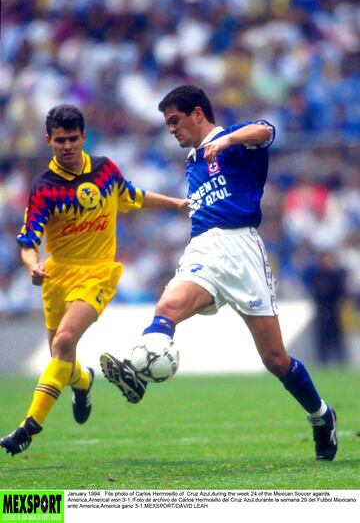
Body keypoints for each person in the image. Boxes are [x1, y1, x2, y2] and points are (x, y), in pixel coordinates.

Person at [100, 85, 337, 462]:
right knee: (168, 305)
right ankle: (138, 374)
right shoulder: (193, 160)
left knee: (275, 359)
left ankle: (321, 416)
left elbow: (267, 130)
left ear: (197, 113)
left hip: (242, 250)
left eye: (175, 121)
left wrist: (227, 142)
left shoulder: (234, 140)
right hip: (205, 250)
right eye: (167, 124)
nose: (171, 130)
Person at [0, 104, 187, 456]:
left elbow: (133, 196)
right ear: (49, 141)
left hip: (98, 270)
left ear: (84, 137)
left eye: (73, 139)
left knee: (65, 341)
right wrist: (32, 265)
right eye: (60, 141)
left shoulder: (104, 170)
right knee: (64, 357)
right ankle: (83, 381)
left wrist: (176, 204)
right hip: (57, 275)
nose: (67, 146)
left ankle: (29, 427)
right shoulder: (44, 188)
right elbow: (28, 241)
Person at [305, 251, 348, 365]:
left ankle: (341, 361)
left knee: (338, 338)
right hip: (322, 311)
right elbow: (314, 292)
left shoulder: (337, 274)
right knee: (322, 339)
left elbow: (341, 292)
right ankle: (322, 362)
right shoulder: (317, 275)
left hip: (335, 310)